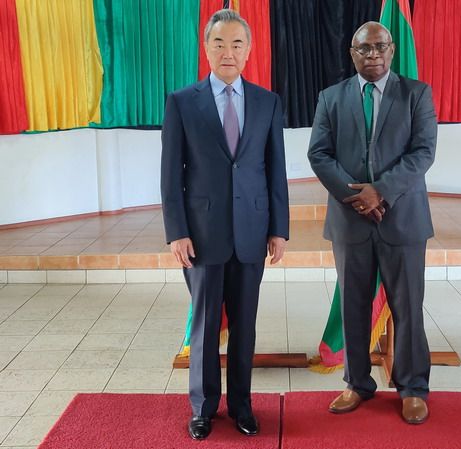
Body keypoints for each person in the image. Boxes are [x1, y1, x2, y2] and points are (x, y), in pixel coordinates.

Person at [160, 9, 289, 440]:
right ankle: (202, 407)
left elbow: (275, 170)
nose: (228, 52)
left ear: (249, 50)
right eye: (219, 43)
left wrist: (279, 228)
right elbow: (171, 174)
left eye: (236, 44)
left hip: (252, 232)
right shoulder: (182, 102)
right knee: (205, 324)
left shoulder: (267, 102)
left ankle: (242, 406)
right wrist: (177, 231)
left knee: (245, 325)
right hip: (201, 234)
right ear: (206, 48)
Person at [307, 21, 437, 424]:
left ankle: (412, 388)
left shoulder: (416, 94)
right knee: (353, 306)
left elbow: (423, 152)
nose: (373, 54)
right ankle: (357, 383)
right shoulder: (331, 97)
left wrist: (379, 191)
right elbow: (319, 154)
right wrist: (357, 197)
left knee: (407, 307)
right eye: (364, 48)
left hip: (403, 219)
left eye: (380, 46)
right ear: (353, 54)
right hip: (351, 221)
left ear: (392, 49)